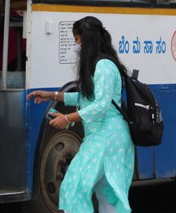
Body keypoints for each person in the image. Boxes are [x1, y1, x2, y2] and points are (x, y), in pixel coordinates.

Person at [27, 16, 134, 213]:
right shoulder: (100, 65)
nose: (76, 45)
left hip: (107, 137)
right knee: (107, 194)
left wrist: (66, 119)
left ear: (88, 39)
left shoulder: (104, 66)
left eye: (77, 39)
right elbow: (87, 98)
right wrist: (53, 95)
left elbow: (100, 106)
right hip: (105, 136)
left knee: (74, 186)